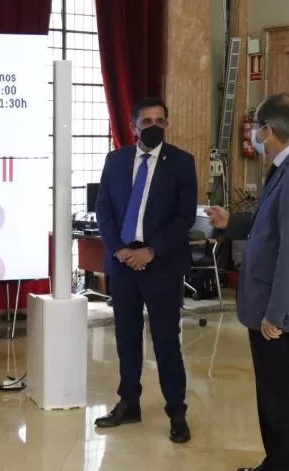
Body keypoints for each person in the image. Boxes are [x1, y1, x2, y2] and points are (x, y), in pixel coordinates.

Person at [205, 93, 289, 471]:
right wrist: (229, 221)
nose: (254, 136)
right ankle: (275, 459)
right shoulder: (285, 167)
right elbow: (268, 226)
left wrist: (278, 313)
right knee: (271, 386)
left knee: (283, 389)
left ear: (269, 130)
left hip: (279, 307)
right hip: (267, 300)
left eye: (256, 129)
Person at [94, 97, 197, 443]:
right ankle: (129, 403)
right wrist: (120, 250)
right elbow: (104, 209)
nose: (155, 127)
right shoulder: (116, 160)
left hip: (161, 265)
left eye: (160, 121)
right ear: (133, 126)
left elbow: (184, 217)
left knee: (166, 341)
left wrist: (151, 251)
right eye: (147, 121)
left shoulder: (181, 162)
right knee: (126, 338)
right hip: (123, 264)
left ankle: (177, 412)